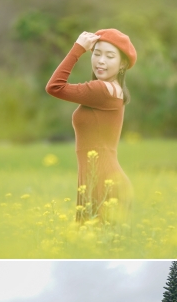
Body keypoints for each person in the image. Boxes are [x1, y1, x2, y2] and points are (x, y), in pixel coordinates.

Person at [46, 29, 136, 222]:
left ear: (122, 64)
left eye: (110, 56)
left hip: (102, 182)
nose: (101, 60)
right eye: (96, 53)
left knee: (92, 248)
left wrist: (77, 49)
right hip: (101, 179)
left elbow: (54, 87)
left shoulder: (101, 90)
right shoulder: (112, 89)